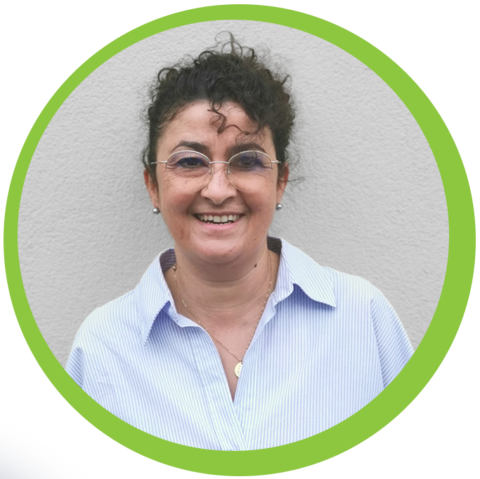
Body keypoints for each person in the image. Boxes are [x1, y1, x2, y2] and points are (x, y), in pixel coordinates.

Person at [66, 35, 413, 450]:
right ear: (153, 186)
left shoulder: (364, 319)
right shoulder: (103, 346)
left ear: (280, 181)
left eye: (247, 160)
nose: (217, 190)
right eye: (189, 161)